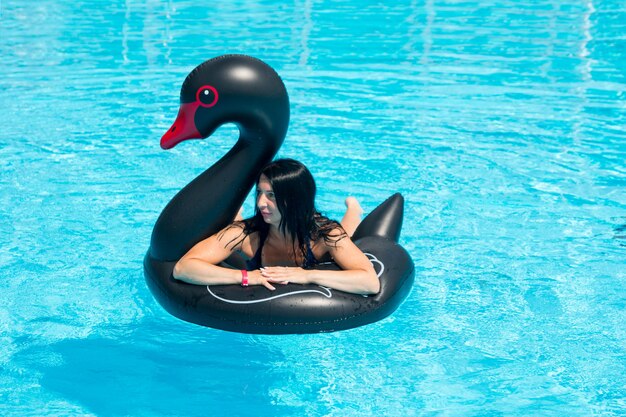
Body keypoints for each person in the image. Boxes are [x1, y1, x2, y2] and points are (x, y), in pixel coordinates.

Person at [173, 158, 380, 295]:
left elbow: (370, 282)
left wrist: (306, 275)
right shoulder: (245, 234)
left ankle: (353, 209)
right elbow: (183, 268)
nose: (261, 203)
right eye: (259, 194)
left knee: (345, 233)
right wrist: (245, 276)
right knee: (236, 224)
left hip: (314, 234)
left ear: (294, 199)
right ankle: (237, 213)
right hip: (254, 237)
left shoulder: (324, 236)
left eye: (271, 195)